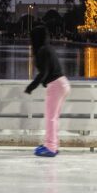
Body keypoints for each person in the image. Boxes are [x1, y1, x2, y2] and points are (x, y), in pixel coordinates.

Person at [26, 25, 71, 158]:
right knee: (54, 117)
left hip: (56, 85)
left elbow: (44, 73)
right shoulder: (49, 48)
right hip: (63, 83)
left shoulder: (42, 51)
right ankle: (52, 144)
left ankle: (50, 147)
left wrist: (31, 87)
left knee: (50, 118)